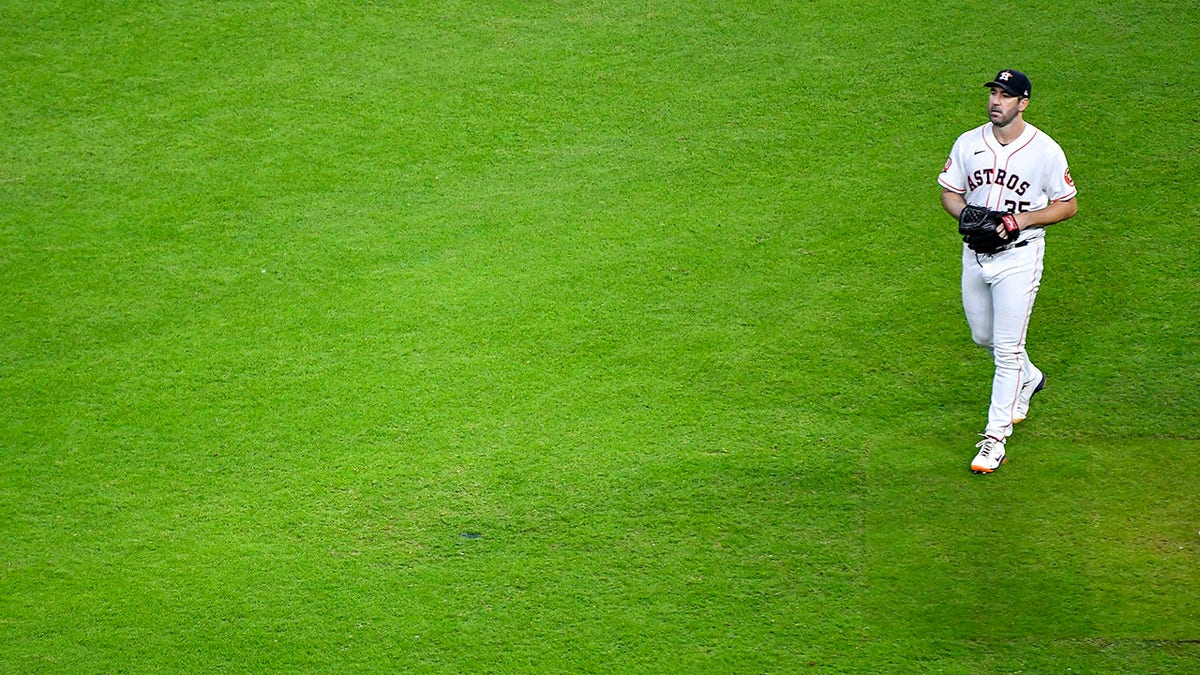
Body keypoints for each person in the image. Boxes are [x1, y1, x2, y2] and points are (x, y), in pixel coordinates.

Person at [937, 69, 1078, 474]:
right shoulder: (969, 142)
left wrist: (1021, 221)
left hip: (1019, 258)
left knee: (1007, 349)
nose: (996, 101)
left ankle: (994, 438)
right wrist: (968, 216)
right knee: (984, 336)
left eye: (1005, 95)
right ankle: (1030, 379)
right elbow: (950, 191)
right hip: (975, 256)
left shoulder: (1046, 151)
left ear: (1024, 103)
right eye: (994, 93)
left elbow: (1067, 205)